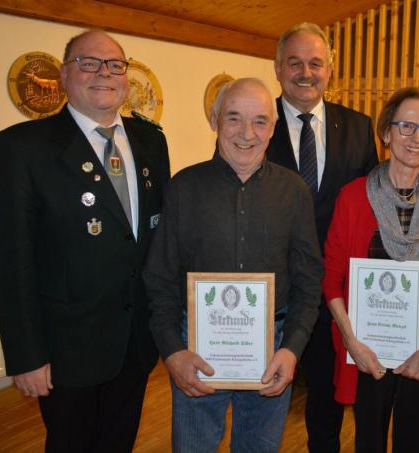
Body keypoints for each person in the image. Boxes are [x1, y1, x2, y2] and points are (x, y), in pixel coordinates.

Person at [0, 30, 171, 452]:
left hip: (134, 341)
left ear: (127, 77)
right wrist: (26, 356)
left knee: (119, 442)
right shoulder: (25, 148)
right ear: (65, 76)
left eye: (114, 64)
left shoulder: (151, 142)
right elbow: (11, 260)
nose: (103, 73)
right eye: (88, 63)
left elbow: (155, 238)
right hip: (66, 349)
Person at [142, 78, 324, 453]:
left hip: (272, 351)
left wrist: (292, 349)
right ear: (214, 120)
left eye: (260, 121)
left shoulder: (293, 192)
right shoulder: (183, 188)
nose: (247, 134)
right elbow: (159, 279)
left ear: (273, 128)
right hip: (196, 349)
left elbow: (308, 281)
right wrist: (173, 351)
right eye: (234, 119)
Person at [322, 87, 419, 452]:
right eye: (406, 126)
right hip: (367, 348)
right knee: (368, 441)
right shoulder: (353, 196)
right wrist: (352, 342)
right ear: (386, 133)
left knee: (414, 443)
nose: (417, 138)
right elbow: (332, 276)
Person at [267, 22, 379, 453]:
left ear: (331, 70)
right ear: (278, 68)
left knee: (330, 397)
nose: (305, 72)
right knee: (267, 394)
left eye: (315, 63)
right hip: (275, 288)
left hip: (339, 290)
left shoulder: (358, 126)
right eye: (294, 62)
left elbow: (369, 205)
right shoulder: (258, 122)